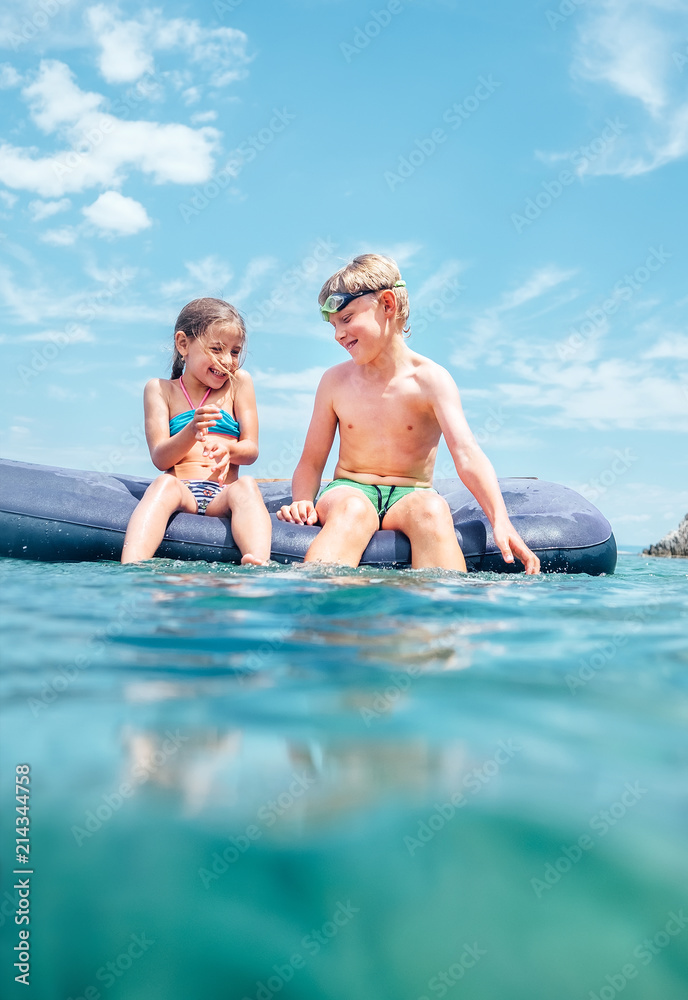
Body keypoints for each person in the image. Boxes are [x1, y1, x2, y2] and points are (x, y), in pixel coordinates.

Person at [277, 254, 540, 574]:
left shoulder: (431, 380)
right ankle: (324, 615)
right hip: (350, 487)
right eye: (333, 325)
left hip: (412, 492)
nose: (338, 335)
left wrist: (500, 520)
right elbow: (312, 460)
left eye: (346, 319)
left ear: (387, 304)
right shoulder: (335, 382)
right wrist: (303, 499)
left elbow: (468, 455)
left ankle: (437, 618)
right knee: (353, 511)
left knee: (432, 510)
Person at [121, 297, 271, 565]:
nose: (227, 360)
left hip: (222, 493)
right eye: (216, 349)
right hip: (184, 491)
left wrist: (230, 448)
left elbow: (251, 450)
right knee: (164, 484)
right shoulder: (160, 390)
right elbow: (160, 458)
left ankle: (257, 561)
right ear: (183, 344)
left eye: (235, 352)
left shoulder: (239, 384)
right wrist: (190, 430)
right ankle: (132, 562)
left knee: (246, 485)